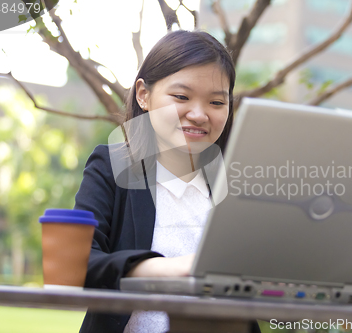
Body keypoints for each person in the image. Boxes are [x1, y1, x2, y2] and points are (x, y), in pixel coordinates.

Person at [74, 30, 261, 333]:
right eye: (181, 97)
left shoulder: (236, 180)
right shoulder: (112, 165)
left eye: (216, 102)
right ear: (143, 95)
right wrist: (166, 269)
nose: (199, 114)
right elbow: (79, 259)